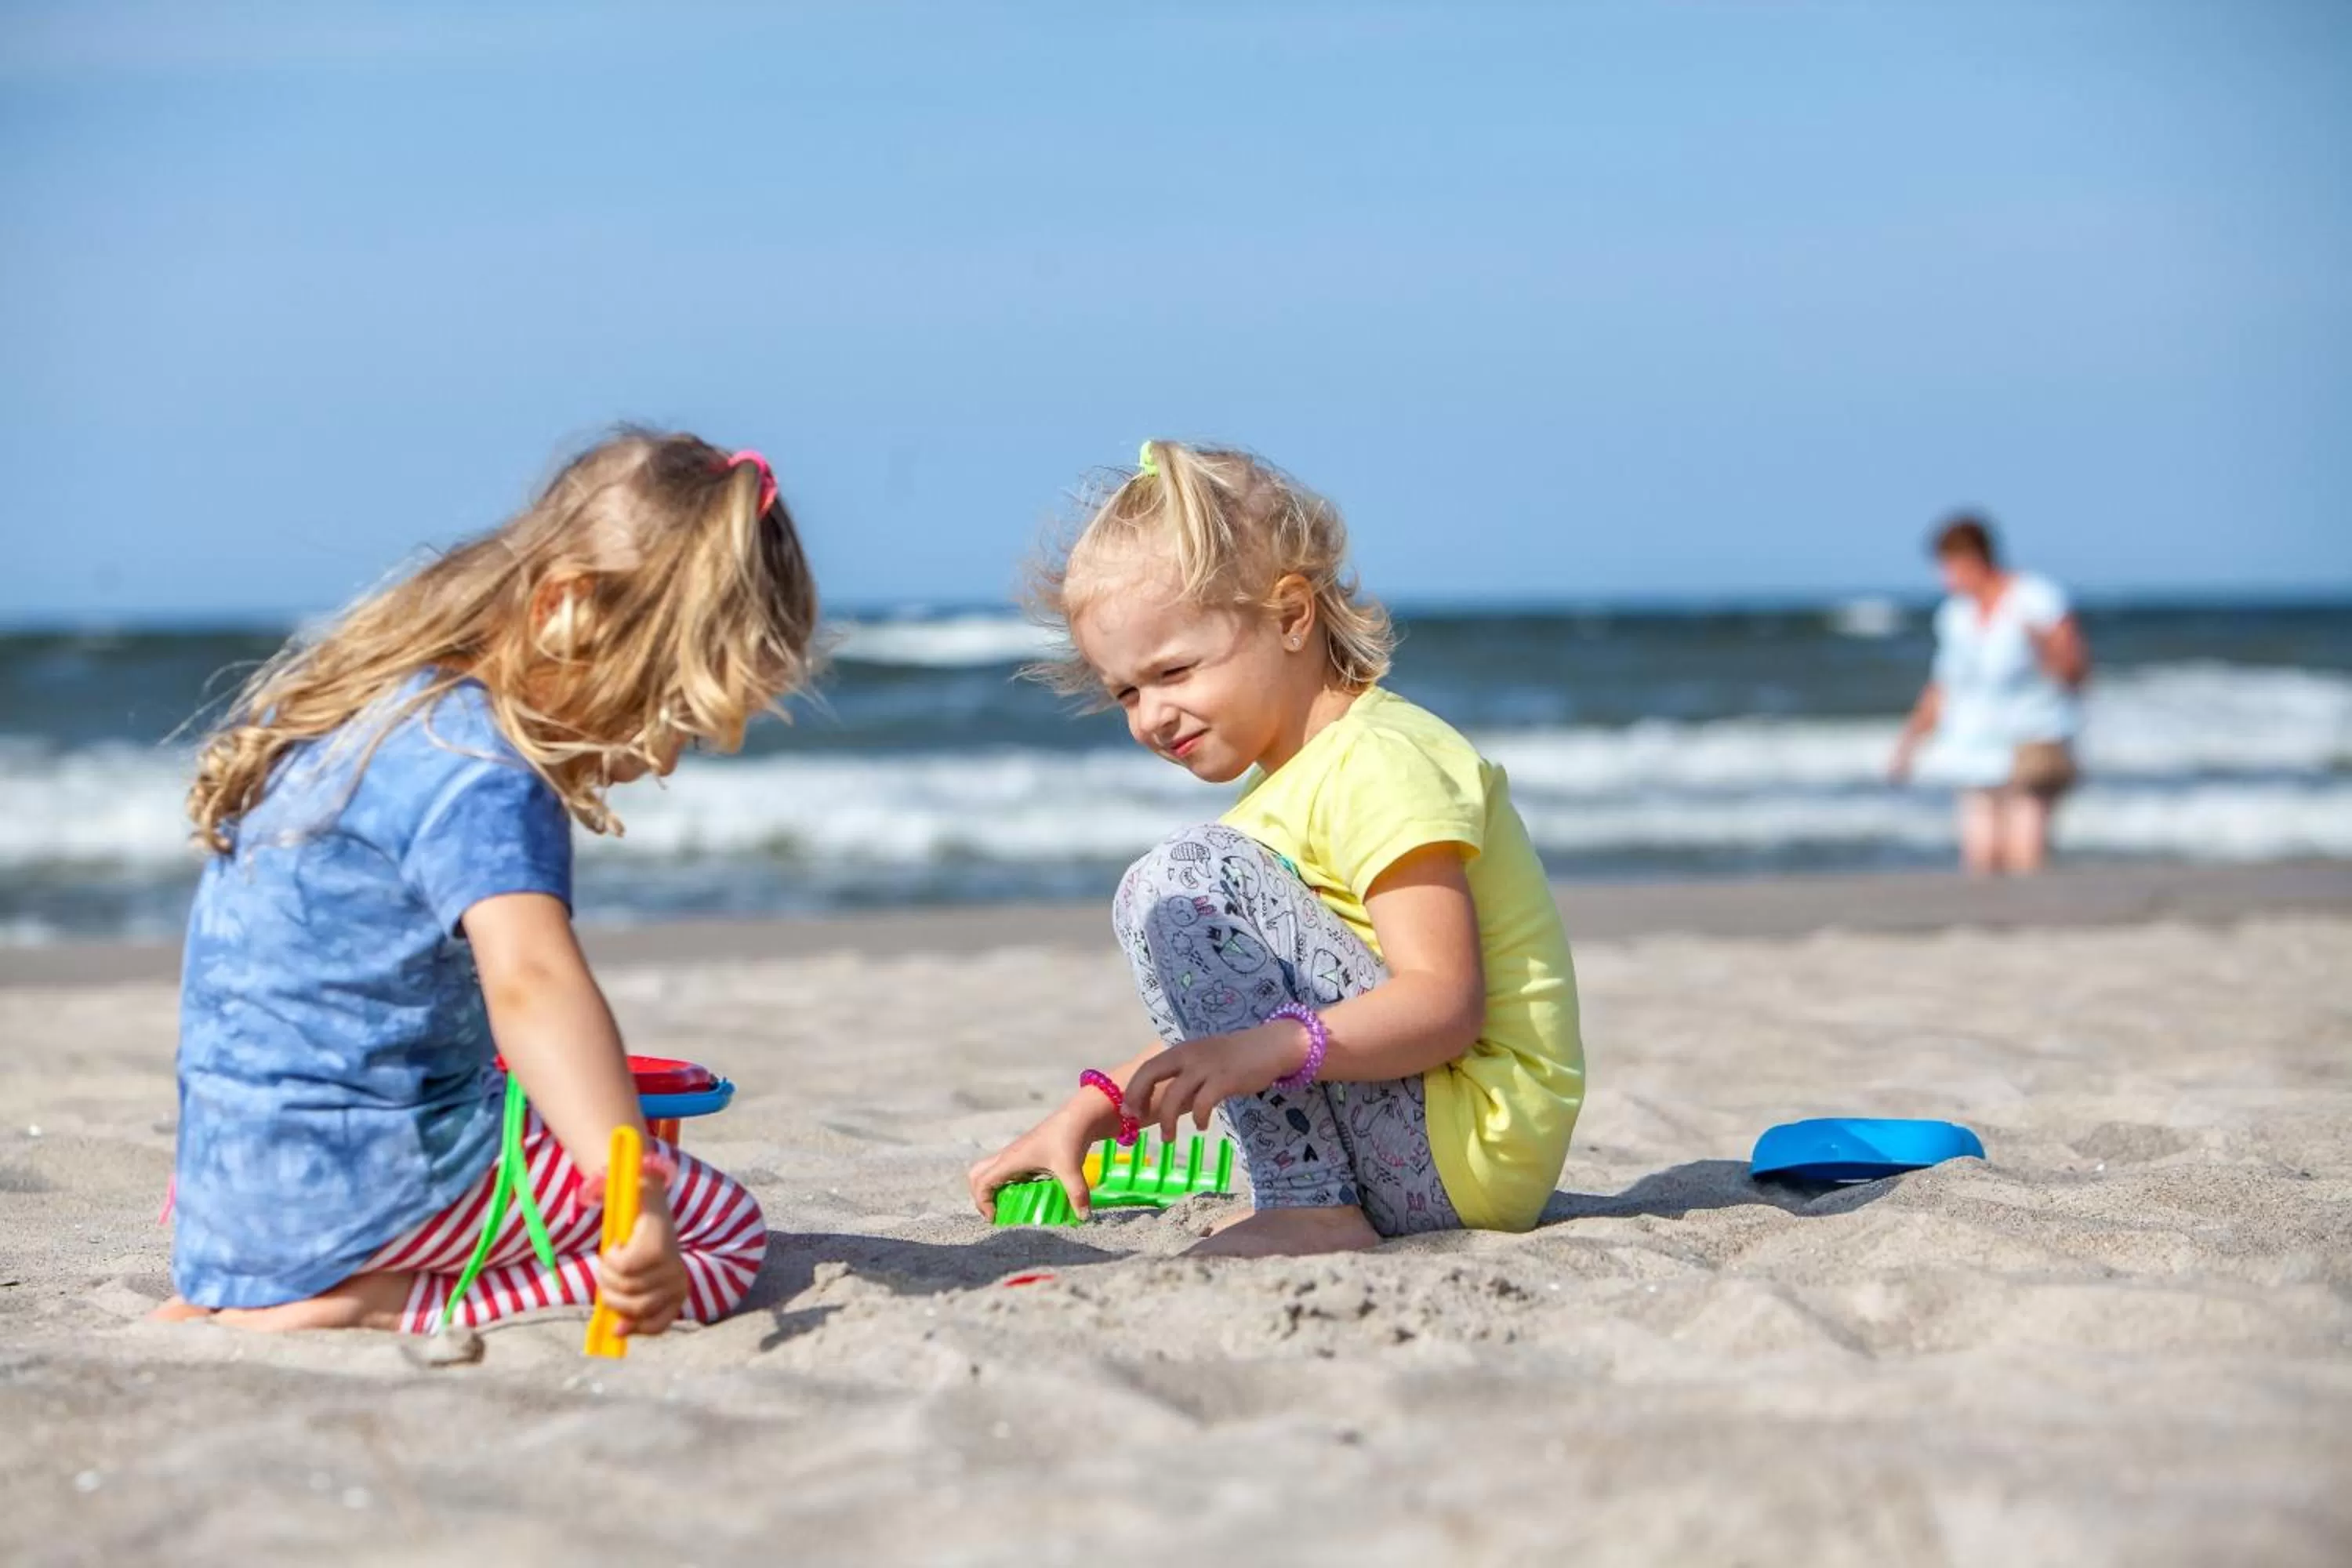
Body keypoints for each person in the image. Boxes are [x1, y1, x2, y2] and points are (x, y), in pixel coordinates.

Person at [156, 429, 818, 1335]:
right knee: (723, 1231)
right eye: (670, 709)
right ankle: (374, 1304)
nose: (665, 756)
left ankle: (278, 1285)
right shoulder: (484, 767)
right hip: (371, 1181)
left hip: (232, 1191)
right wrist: (632, 1188)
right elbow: (532, 981)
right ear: (568, 610)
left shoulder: (369, 703)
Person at [967, 441, 1584, 1257]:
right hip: (1417, 1145)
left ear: (1292, 616)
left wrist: (1266, 1051)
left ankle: (1313, 1205)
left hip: (1469, 1142)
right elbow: (1246, 1008)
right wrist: (1091, 1110)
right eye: (1125, 691)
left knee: (1181, 877)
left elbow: (1444, 1003)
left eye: (1175, 670)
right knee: (1180, 888)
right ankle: (1312, 1197)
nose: (1151, 715)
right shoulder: (1278, 796)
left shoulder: (1378, 761)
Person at [1890, 513, 2090, 875]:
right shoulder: (1955, 615)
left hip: (2033, 736)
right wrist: (1910, 741)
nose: (1946, 577)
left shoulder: (2036, 598)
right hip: (1973, 742)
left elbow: (2077, 670)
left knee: (2024, 851)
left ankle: (2031, 924)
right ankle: (1992, 925)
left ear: (1976, 559)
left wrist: (2046, 648)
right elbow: (1944, 685)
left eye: (1950, 566)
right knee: (1980, 855)